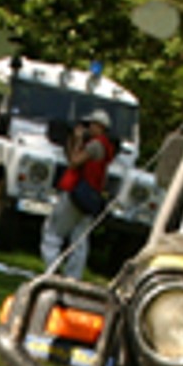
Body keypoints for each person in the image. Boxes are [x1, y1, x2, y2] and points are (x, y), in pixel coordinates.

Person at [40, 108, 116, 279]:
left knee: (52, 233)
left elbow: (74, 162)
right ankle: (73, 277)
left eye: (91, 125)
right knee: (79, 240)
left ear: (99, 126)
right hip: (91, 196)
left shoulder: (95, 145)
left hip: (77, 194)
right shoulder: (106, 146)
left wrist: (78, 139)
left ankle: (52, 271)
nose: (88, 128)